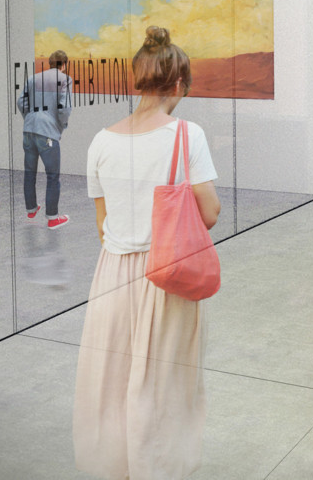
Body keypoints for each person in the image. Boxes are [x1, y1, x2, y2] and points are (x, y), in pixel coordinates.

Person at [74, 26, 222, 479]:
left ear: (138, 80)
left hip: (111, 277)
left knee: (111, 382)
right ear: (178, 85)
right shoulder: (186, 135)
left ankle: (112, 468)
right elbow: (210, 213)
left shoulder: (101, 140)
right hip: (166, 274)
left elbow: (103, 225)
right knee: (162, 384)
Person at [18, 50, 72, 229]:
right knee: (52, 175)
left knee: (29, 172)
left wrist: (30, 118)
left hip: (28, 130)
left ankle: (31, 209)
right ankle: (53, 218)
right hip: (48, 133)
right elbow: (64, 108)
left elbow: (21, 102)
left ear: (50, 63)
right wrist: (61, 125)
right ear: (64, 65)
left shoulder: (33, 78)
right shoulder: (64, 79)